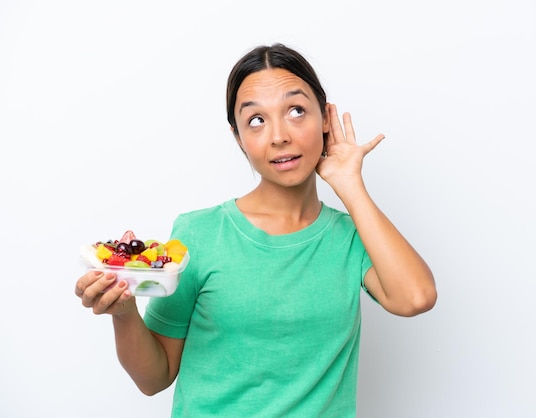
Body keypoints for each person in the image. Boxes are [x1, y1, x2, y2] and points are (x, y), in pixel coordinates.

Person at [75, 42, 437, 417]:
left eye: (296, 111)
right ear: (239, 139)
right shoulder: (199, 234)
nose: (279, 135)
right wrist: (123, 312)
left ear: (325, 119)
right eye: (257, 120)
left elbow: (416, 298)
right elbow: (155, 378)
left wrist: (349, 185)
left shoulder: (352, 236)